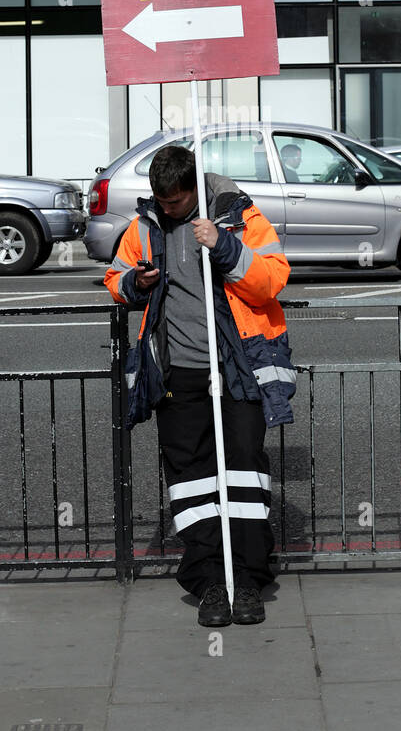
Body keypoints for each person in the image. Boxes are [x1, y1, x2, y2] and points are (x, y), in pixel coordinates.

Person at [104, 144, 295, 629]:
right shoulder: (145, 226)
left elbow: (272, 280)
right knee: (191, 480)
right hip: (178, 374)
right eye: (160, 200)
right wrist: (138, 283)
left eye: (175, 201)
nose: (167, 208)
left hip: (237, 367)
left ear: (194, 188)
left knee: (243, 474)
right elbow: (115, 279)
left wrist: (224, 246)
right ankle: (209, 579)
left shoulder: (237, 216)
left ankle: (248, 580)